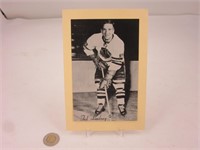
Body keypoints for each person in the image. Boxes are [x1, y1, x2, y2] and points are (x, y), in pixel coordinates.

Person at [83, 20, 127, 116]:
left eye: (110, 29)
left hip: (117, 65)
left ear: (113, 30)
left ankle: (121, 105)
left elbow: (116, 63)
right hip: (102, 63)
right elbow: (86, 47)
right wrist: (96, 60)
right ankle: (100, 104)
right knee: (99, 84)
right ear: (101, 30)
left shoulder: (119, 43)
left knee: (119, 86)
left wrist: (107, 78)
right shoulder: (95, 37)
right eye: (104, 29)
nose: (107, 33)